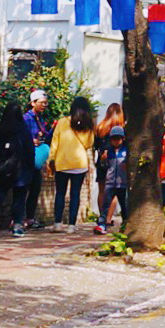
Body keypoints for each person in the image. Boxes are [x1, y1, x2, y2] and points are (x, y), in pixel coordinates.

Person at [0, 97, 34, 237]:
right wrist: (30, 170)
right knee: (19, 199)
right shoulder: (23, 130)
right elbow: (29, 151)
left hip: (0, 170)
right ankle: (17, 226)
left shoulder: (0, 129)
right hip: (19, 171)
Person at [48, 95, 96, 229]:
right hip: (79, 164)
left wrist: (51, 158)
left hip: (62, 162)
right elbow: (88, 144)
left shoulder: (62, 122)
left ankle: (57, 223)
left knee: (60, 193)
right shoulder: (88, 125)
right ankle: (71, 225)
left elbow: (54, 142)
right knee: (75, 193)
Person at [94, 103, 129, 234]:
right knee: (114, 194)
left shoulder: (100, 127)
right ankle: (107, 219)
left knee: (103, 191)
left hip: (103, 161)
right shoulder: (122, 127)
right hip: (113, 165)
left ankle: (102, 218)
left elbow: (95, 145)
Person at [22, 89, 52, 229]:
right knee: (23, 190)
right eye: (41, 103)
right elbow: (22, 135)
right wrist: (31, 140)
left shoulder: (40, 119)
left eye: (46, 103)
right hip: (27, 159)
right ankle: (19, 219)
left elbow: (45, 136)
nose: (44, 105)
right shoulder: (27, 118)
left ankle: (30, 219)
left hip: (36, 160)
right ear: (33, 103)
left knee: (35, 190)